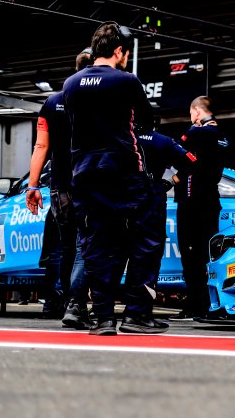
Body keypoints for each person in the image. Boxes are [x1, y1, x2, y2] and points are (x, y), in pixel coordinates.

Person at [62, 22, 167, 335]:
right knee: (146, 241)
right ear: (119, 51)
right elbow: (146, 122)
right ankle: (136, 315)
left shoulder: (70, 84)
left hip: (84, 174)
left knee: (96, 245)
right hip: (124, 172)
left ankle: (103, 319)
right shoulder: (127, 80)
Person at [24, 48, 92, 326]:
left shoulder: (51, 102)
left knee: (66, 247)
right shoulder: (98, 99)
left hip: (60, 186)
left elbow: (41, 146)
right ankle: (78, 304)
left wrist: (32, 186)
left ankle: (65, 303)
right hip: (89, 183)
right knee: (86, 246)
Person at [172, 96, 226, 320]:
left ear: (196, 111)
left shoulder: (198, 132)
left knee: (190, 255)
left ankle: (197, 305)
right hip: (211, 200)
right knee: (207, 254)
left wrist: (176, 177)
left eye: (191, 113)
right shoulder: (220, 134)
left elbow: (177, 148)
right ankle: (209, 304)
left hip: (192, 202)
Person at [131, 130, 195, 306]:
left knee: (120, 251)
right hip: (153, 196)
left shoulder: (124, 138)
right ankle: (138, 309)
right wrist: (172, 180)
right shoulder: (163, 140)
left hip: (127, 197)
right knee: (150, 251)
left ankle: (104, 311)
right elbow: (191, 161)